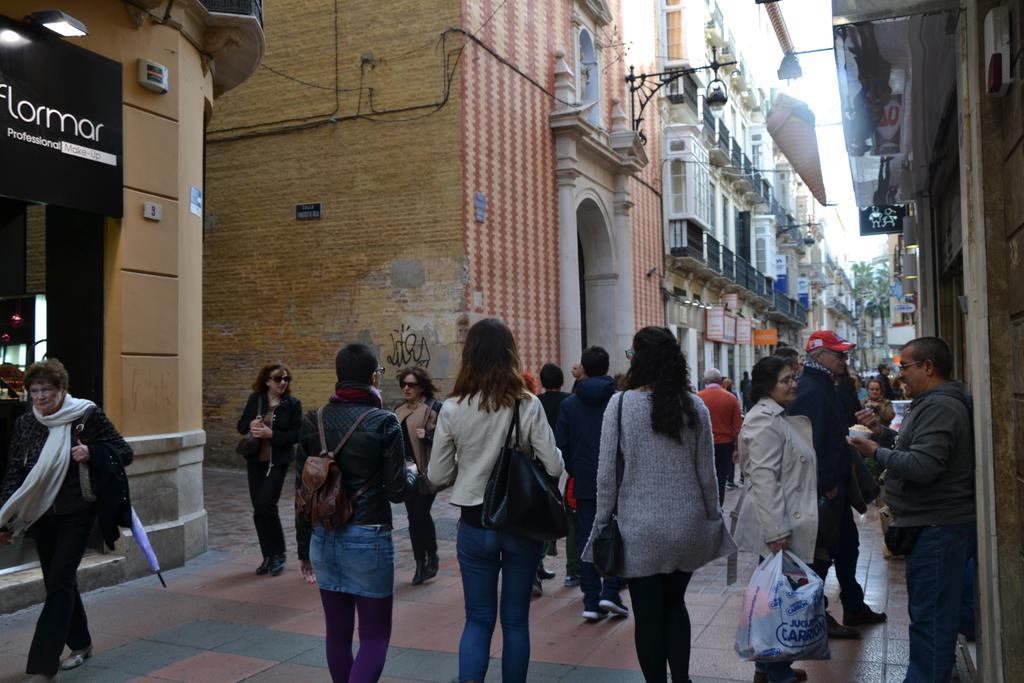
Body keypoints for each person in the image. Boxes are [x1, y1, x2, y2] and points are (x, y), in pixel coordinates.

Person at [585, 327, 736, 683]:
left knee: (648, 616)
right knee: (674, 606)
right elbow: (707, 473)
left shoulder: (621, 405)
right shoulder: (694, 405)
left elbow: (607, 475)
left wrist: (601, 523)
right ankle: (682, 679)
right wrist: (712, 518)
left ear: (638, 359)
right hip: (687, 527)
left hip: (640, 531)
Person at [428, 318, 563, 683]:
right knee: (516, 619)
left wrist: (468, 469)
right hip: (521, 522)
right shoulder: (527, 404)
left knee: (477, 619)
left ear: (469, 355)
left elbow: (437, 476)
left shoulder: (453, 408)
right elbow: (553, 464)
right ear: (509, 354)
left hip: (474, 522)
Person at [849, 337, 975, 683]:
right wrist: (884, 434)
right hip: (934, 525)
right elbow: (918, 449)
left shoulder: (940, 406)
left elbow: (923, 466)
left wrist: (874, 450)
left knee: (931, 621)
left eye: (905, 367)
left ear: (928, 367)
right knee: (930, 619)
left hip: (937, 527)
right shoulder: (932, 403)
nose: (900, 375)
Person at [0, 359, 133, 681]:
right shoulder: (26, 423)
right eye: (34, 391)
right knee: (60, 582)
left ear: (62, 389)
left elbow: (124, 451)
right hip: (41, 514)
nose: (41, 397)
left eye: (47, 390)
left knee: (58, 583)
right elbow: (15, 469)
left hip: (78, 512)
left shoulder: (86, 415)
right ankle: (82, 643)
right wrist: (5, 517)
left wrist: (92, 453)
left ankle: (43, 665)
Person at [296, 344, 417, 683]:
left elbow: (302, 493)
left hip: (324, 535)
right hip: (368, 536)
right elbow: (397, 492)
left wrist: (304, 547)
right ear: (372, 377)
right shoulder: (384, 422)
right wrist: (412, 471)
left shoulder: (312, 420)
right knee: (375, 636)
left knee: (336, 633)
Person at [789, 331, 886, 639]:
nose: (844, 359)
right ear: (819, 357)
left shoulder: (826, 385)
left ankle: (853, 605)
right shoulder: (811, 389)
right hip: (825, 489)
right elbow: (810, 444)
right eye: (839, 354)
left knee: (846, 547)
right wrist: (827, 485)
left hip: (835, 486)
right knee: (821, 554)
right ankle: (818, 615)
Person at [734, 356, 816, 683]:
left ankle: (768, 668)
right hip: (778, 526)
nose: (793, 384)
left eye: (793, 377)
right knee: (781, 603)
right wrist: (777, 532)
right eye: (786, 380)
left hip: (784, 519)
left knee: (778, 599)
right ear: (768, 386)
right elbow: (764, 478)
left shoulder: (777, 416)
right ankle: (777, 672)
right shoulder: (764, 420)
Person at [554, 346, 626, 621]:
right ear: (607, 366)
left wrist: (576, 469)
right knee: (616, 534)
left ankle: (591, 600)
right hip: (617, 479)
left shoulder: (570, 404)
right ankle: (611, 590)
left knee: (586, 538)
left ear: (583, 367)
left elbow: (561, 445)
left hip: (584, 479)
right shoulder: (620, 401)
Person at [236, 364, 302, 577]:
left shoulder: (292, 404)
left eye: (286, 379)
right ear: (267, 381)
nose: (282, 382)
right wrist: (252, 425)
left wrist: (271, 434)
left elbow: (296, 435)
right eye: (277, 378)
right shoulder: (256, 400)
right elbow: (241, 426)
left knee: (267, 505)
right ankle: (267, 555)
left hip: (278, 461)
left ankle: (279, 554)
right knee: (258, 509)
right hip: (256, 460)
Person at [394, 366, 441, 585]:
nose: (406, 388)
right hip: (406, 474)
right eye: (403, 384)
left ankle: (432, 556)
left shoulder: (433, 409)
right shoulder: (398, 411)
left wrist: (429, 437)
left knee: (421, 514)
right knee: (414, 518)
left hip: (426, 472)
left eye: (411, 384)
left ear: (421, 387)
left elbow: (446, 441)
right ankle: (420, 562)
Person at [537, 363, 579, 588]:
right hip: (563, 464)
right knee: (568, 514)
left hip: (538, 464)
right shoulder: (569, 401)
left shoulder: (535, 402)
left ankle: (537, 563)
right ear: (562, 381)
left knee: (538, 515)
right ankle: (572, 570)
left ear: (542, 382)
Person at [697, 368, 742, 505]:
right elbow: (737, 426)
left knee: (703, 476)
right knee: (721, 476)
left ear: (704, 381)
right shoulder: (730, 398)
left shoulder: (698, 398)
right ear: (721, 381)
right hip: (725, 444)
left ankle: (707, 506)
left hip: (704, 443)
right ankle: (719, 505)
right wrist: (737, 448)